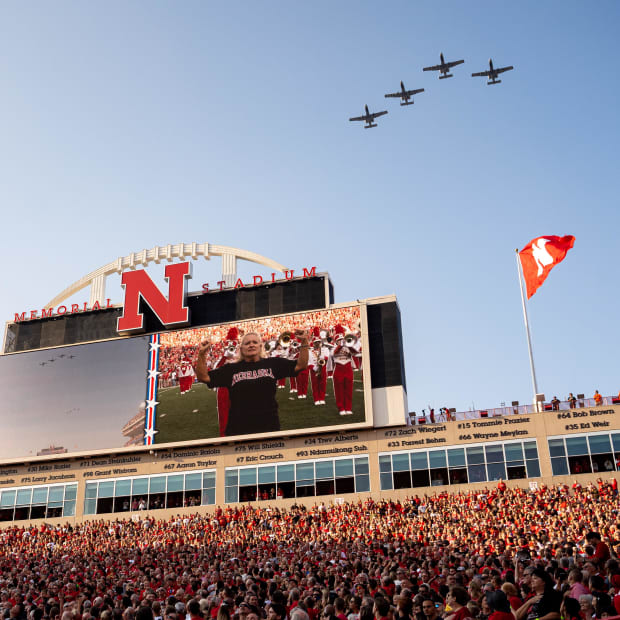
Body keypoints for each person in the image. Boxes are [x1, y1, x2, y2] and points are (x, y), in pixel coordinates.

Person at [195, 329, 309, 436]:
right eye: (247, 343)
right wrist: (201, 354)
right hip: (239, 430)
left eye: (255, 342)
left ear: (260, 346)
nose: (251, 345)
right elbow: (203, 377)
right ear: (241, 349)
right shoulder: (230, 369)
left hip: (269, 427)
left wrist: (304, 341)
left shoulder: (273, 363)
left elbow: (301, 365)